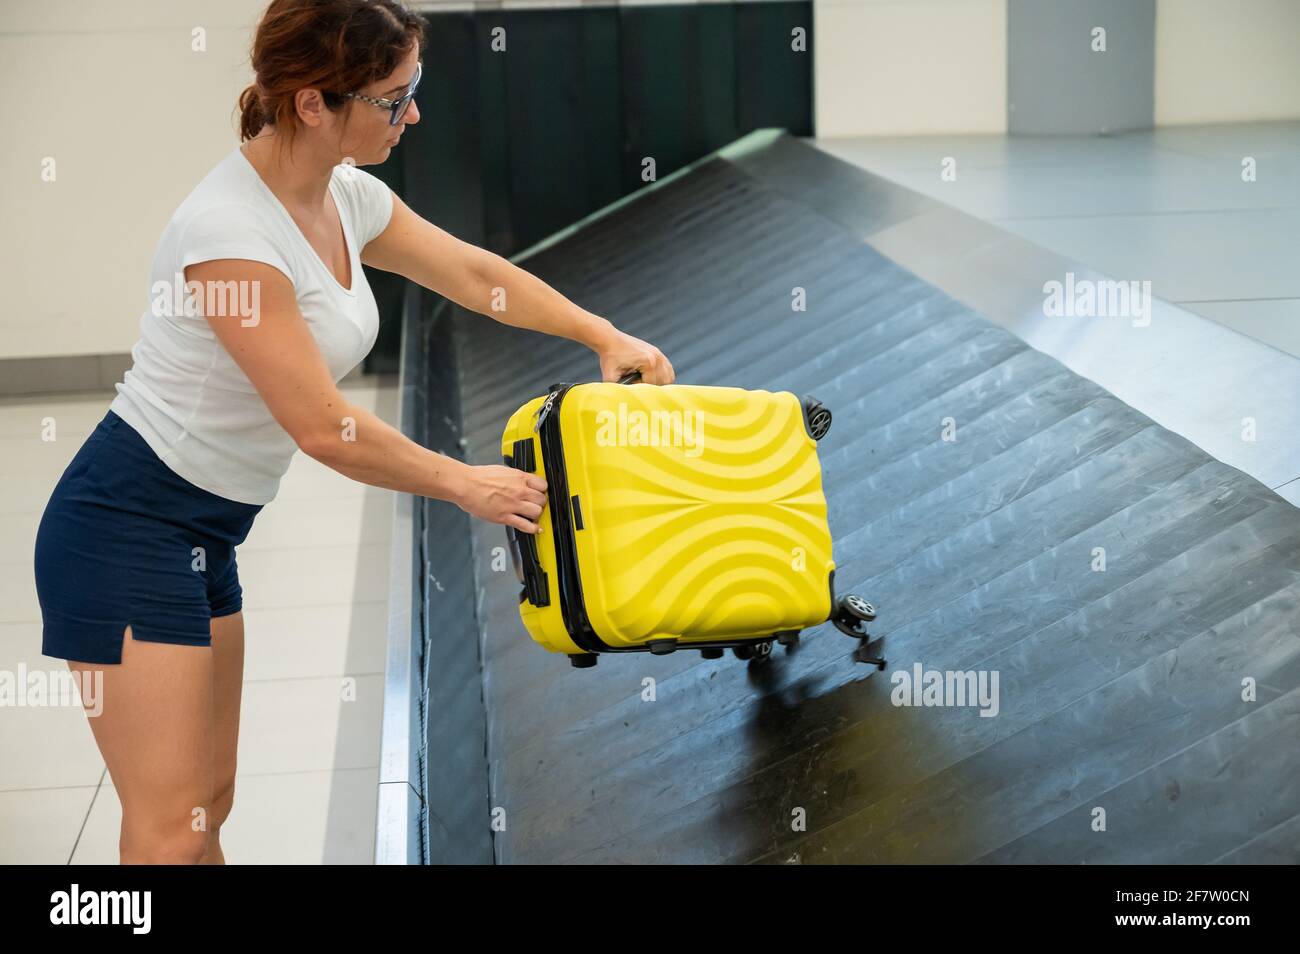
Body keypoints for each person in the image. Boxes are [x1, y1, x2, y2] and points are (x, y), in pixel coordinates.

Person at [32, 0, 673, 865]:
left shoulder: (345, 194)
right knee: (170, 823)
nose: (414, 114)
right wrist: (462, 482)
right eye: (393, 98)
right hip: (124, 532)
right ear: (312, 103)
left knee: (204, 807)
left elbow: (474, 274)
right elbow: (322, 428)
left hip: (204, 535)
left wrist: (604, 334)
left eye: (414, 90)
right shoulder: (230, 234)